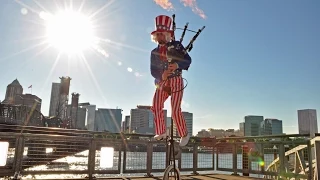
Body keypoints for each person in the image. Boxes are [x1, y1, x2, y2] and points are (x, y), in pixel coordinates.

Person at [150, 15, 192, 146]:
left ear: (167, 34)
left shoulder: (177, 45)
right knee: (156, 105)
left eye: (162, 34)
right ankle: (161, 131)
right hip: (162, 82)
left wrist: (178, 65)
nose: (160, 37)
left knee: (175, 110)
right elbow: (153, 70)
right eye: (158, 35)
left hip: (176, 80)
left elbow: (188, 60)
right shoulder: (154, 51)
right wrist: (161, 76)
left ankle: (184, 133)